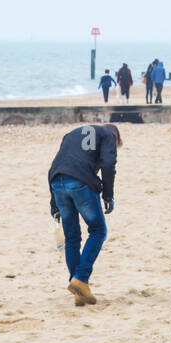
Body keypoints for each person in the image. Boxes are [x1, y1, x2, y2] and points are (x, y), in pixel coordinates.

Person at [48, 123, 120, 306]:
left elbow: (55, 165)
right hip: (80, 182)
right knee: (98, 231)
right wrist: (108, 195)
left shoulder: (71, 134)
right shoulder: (108, 135)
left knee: (72, 237)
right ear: (115, 137)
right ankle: (80, 278)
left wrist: (53, 202)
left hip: (57, 181)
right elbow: (108, 163)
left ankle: (79, 290)